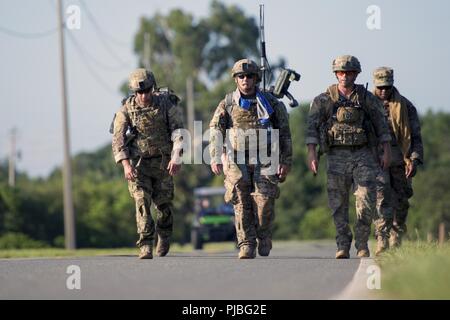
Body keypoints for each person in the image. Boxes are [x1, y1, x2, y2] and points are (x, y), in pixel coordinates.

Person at [306, 55, 391, 259]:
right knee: (338, 204)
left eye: (350, 72)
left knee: (366, 201)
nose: (345, 76)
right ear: (336, 74)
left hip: (363, 155)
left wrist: (386, 149)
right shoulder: (324, 99)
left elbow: (381, 123)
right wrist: (312, 153)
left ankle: (362, 244)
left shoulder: (365, 98)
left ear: (356, 74)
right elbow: (312, 127)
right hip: (336, 156)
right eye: (341, 72)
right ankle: (343, 244)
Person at [209, 58, 292, 259]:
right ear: (236, 80)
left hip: (266, 157)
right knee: (241, 201)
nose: (245, 80)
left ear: (256, 78)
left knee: (264, 203)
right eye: (241, 76)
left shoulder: (270, 103)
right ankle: (246, 243)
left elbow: (285, 133)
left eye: (249, 76)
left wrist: (285, 160)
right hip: (236, 158)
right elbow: (215, 129)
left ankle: (264, 236)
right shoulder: (228, 103)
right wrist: (216, 155)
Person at [112, 68, 184, 259]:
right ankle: (145, 244)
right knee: (142, 201)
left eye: (147, 91)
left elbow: (178, 132)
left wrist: (176, 156)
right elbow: (118, 140)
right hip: (138, 165)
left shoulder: (166, 105)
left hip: (163, 164)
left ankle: (165, 235)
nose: (143, 96)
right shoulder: (126, 110)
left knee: (164, 206)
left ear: (153, 88)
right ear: (133, 92)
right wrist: (126, 166)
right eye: (139, 92)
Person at [372, 67, 424, 254]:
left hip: (402, 158)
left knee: (401, 200)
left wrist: (415, 160)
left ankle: (397, 236)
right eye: (380, 87)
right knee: (381, 199)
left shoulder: (406, 106)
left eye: (387, 87)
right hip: (377, 158)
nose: (384, 91)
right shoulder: (367, 105)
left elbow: (416, 137)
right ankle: (382, 238)